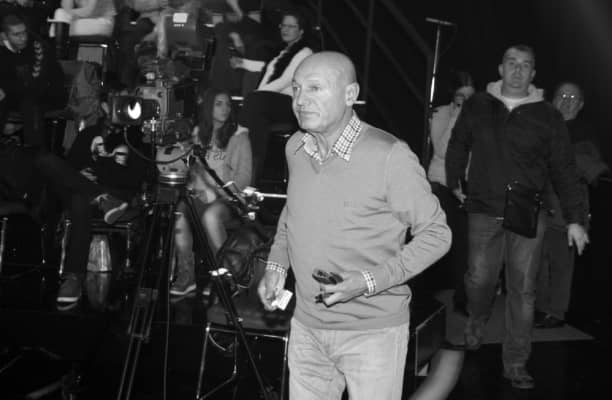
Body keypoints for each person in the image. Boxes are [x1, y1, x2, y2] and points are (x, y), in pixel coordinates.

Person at [258, 52, 451, 400]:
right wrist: (276, 265)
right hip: (306, 326)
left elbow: (437, 235)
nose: (300, 100)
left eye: (315, 88)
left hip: (372, 333)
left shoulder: (389, 155)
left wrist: (368, 281)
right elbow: (293, 212)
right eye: (296, 89)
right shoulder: (295, 147)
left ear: (350, 95)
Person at [445, 45, 589, 389]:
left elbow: (564, 169)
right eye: (512, 63)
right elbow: (458, 142)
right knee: (479, 279)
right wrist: (454, 180)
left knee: (523, 290)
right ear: (501, 68)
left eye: (525, 65)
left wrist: (575, 219)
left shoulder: (548, 115)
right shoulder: (479, 104)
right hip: (483, 206)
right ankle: (477, 318)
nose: (518, 70)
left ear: (533, 74)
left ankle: (515, 361)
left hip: (528, 212)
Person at [535, 82, 608, 329]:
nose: (566, 100)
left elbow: (593, 169)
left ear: (581, 104)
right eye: (562, 95)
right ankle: (540, 308)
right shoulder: (542, 126)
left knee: (561, 264)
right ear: (552, 99)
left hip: (565, 210)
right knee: (538, 262)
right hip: (538, 206)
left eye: (573, 97)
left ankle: (556, 312)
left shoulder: (585, 134)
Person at [170, 88, 252, 296]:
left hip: (229, 199)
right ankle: (186, 277)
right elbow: (192, 172)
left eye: (228, 104)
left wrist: (218, 192)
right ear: (208, 108)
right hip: (202, 194)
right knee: (178, 212)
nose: (225, 109)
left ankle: (227, 277)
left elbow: (244, 178)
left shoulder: (239, 136)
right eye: (219, 104)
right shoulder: (199, 134)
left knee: (211, 216)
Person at [231, 8, 313, 182]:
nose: (285, 29)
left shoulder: (304, 53)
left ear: (301, 31)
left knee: (254, 104)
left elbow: (284, 79)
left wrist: (256, 96)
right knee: (257, 120)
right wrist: (243, 63)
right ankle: (251, 172)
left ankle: (239, 143)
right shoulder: (282, 51)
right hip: (268, 102)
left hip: (290, 105)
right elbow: (268, 69)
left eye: (291, 26)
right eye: (284, 25)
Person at [427, 70, 474, 315]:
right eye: (460, 96)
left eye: (470, 96)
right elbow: (444, 150)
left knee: (466, 244)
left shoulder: (481, 115)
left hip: (468, 185)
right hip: (442, 182)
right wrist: (457, 115)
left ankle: (462, 298)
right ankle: (426, 293)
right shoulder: (441, 114)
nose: (465, 101)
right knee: (438, 239)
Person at [0, 13, 66, 148]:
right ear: (4, 36)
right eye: (16, 34)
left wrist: (5, 89)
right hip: (16, 93)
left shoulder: (37, 46)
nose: (23, 37)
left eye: (24, 32)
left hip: (46, 93)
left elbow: (34, 83)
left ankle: (35, 153)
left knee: (30, 103)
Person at [50, 0, 116, 37]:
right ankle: (59, 54)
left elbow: (89, 11)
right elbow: (66, 8)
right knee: (59, 17)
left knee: (57, 29)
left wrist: (70, 13)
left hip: (103, 21)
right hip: (86, 20)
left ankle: (58, 55)